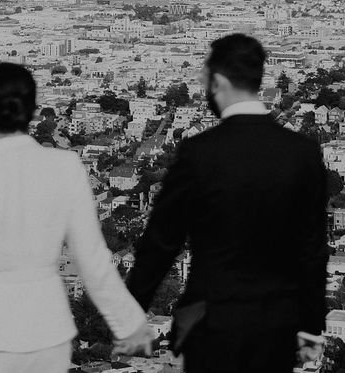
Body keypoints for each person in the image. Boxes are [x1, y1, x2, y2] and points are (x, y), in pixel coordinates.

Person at [127, 33, 329, 373]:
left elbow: (161, 241)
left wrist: (130, 315)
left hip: (212, 324)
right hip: (275, 325)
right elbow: (313, 249)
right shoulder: (302, 153)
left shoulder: (199, 152)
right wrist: (310, 324)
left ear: (219, 81)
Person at [0, 62, 155, 373]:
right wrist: (130, 323)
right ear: (34, 111)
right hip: (48, 329)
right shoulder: (65, 166)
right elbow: (93, 259)